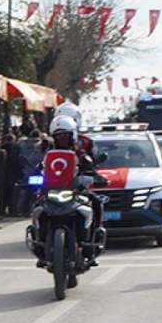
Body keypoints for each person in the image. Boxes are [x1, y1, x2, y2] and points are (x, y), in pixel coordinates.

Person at [48, 114, 106, 266]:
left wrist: (95, 176)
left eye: (65, 137)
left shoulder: (81, 155)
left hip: (76, 192)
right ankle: (38, 240)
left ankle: (92, 244)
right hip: (51, 192)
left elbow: (92, 169)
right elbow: (39, 169)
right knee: (37, 206)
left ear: (73, 137)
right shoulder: (47, 156)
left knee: (95, 202)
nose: (62, 140)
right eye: (59, 137)